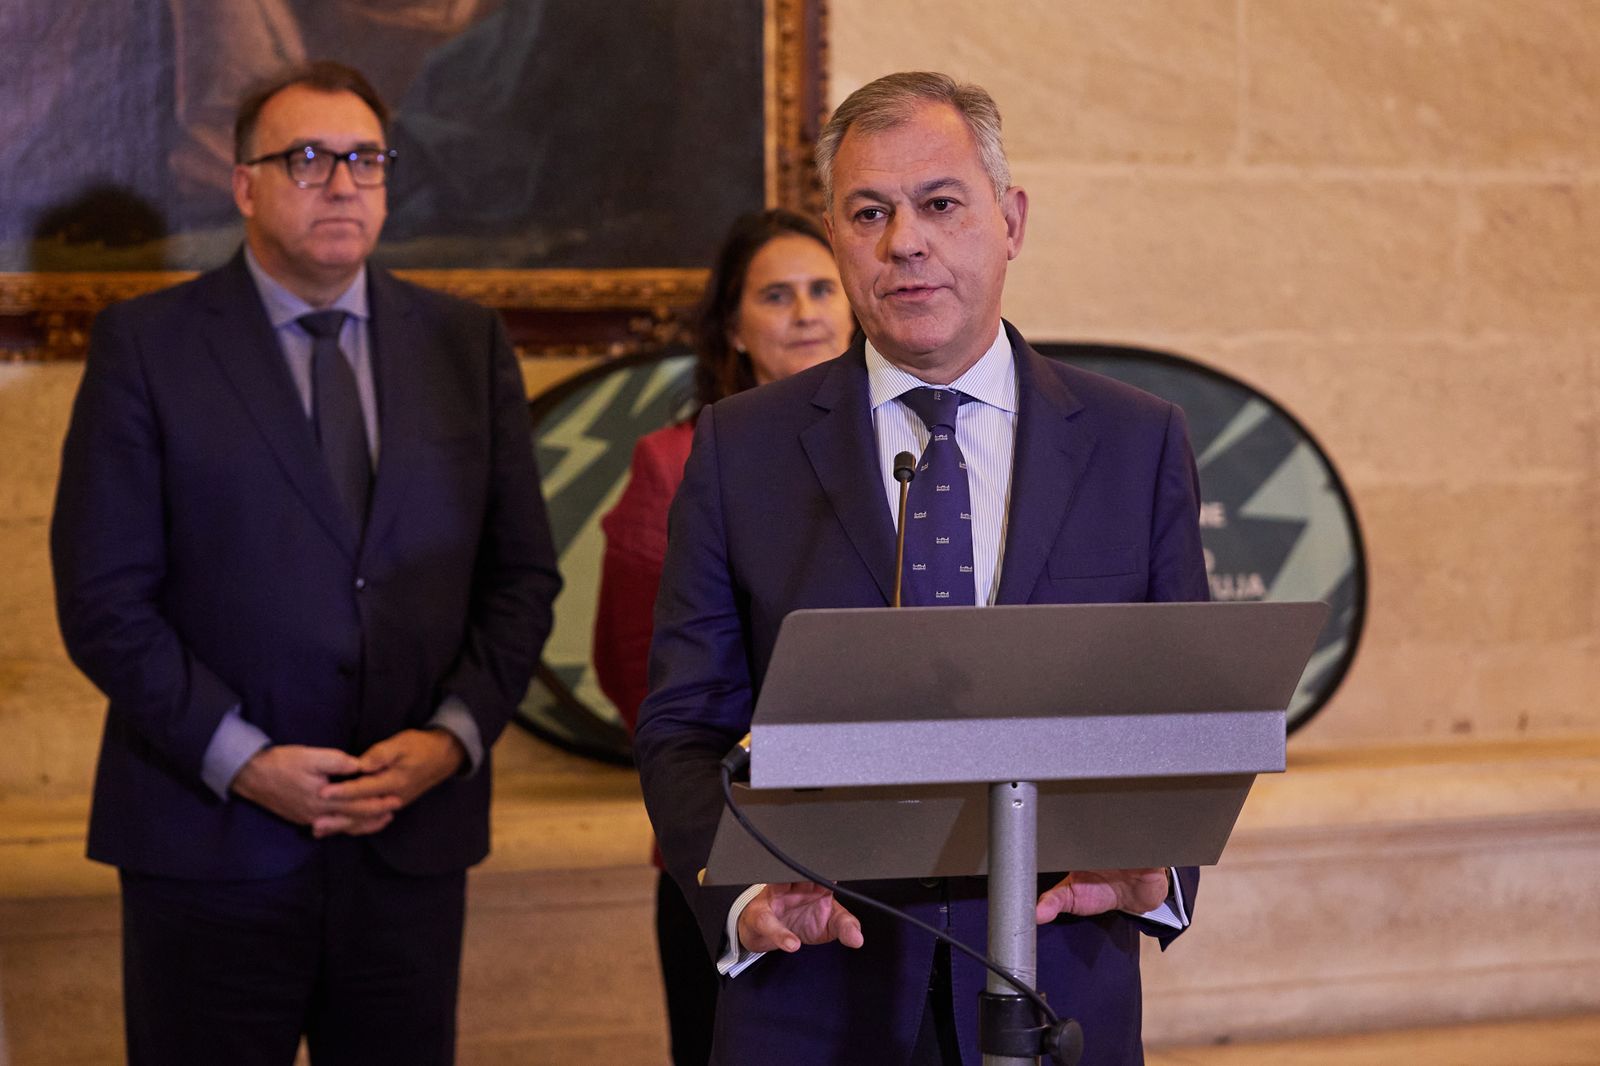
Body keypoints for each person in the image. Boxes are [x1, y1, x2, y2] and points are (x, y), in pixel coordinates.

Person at [633, 71, 1209, 1066]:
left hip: (1058, 984)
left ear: (1010, 218)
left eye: (940, 202)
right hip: (815, 997)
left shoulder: (1135, 442)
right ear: (837, 233)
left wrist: (1160, 869)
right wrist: (742, 894)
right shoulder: (740, 448)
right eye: (869, 212)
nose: (905, 240)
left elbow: (1187, 711)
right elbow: (683, 725)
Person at [49, 61, 560, 1066]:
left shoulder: (463, 342)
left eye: (365, 159)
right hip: (208, 844)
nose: (342, 183)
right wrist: (245, 760)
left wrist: (452, 738)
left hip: (408, 841)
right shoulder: (147, 347)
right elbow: (104, 599)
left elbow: (522, 578)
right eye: (308, 158)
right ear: (245, 185)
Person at [592, 207, 855, 1065]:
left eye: (822, 289)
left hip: (884, 855)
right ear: (735, 329)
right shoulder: (674, 459)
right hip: (732, 843)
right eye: (777, 296)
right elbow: (638, 668)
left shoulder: (892, 446)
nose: (807, 312)